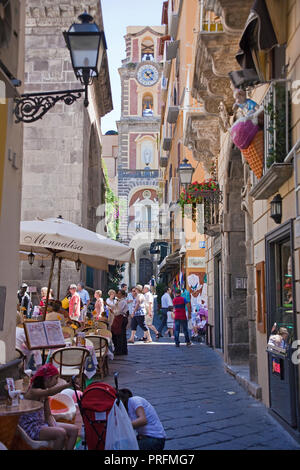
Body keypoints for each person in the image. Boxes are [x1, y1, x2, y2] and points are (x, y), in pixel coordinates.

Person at [18, 364, 78, 450]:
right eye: (56, 378)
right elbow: (49, 392)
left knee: (74, 430)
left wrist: (54, 426)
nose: (57, 382)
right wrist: (67, 385)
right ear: (47, 378)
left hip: (41, 424)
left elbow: (48, 415)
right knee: (61, 433)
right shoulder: (33, 391)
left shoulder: (44, 394)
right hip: (31, 427)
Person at [111, 290, 129, 355]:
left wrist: (114, 312)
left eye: (119, 294)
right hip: (119, 318)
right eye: (117, 294)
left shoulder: (122, 302)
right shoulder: (119, 301)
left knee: (119, 335)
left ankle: (120, 350)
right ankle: (121, 350)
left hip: (121, 318)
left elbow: (119, 311)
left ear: (123, 295)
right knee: (119, 334)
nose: (118, 295)